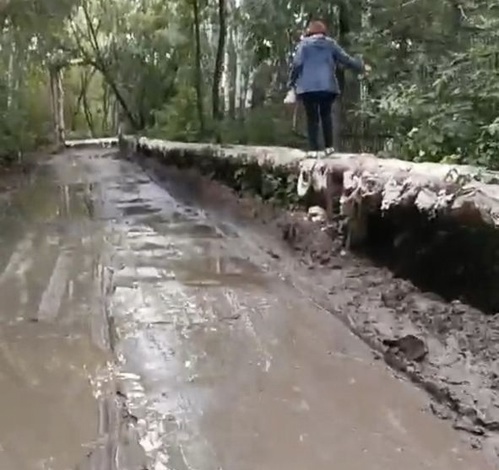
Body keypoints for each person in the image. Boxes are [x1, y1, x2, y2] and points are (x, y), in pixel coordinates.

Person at [288, 20, 366, 157]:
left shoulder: (303, 46)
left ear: (309, 32)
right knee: (326, 115)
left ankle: (313, 150)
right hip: (327, 86)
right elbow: (345, 59)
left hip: (308, 88)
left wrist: (291, 84)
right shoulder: (330, 44)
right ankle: (329, 147)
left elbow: (296, 65)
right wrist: (360, 66)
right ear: (323, 32)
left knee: (312, 118)